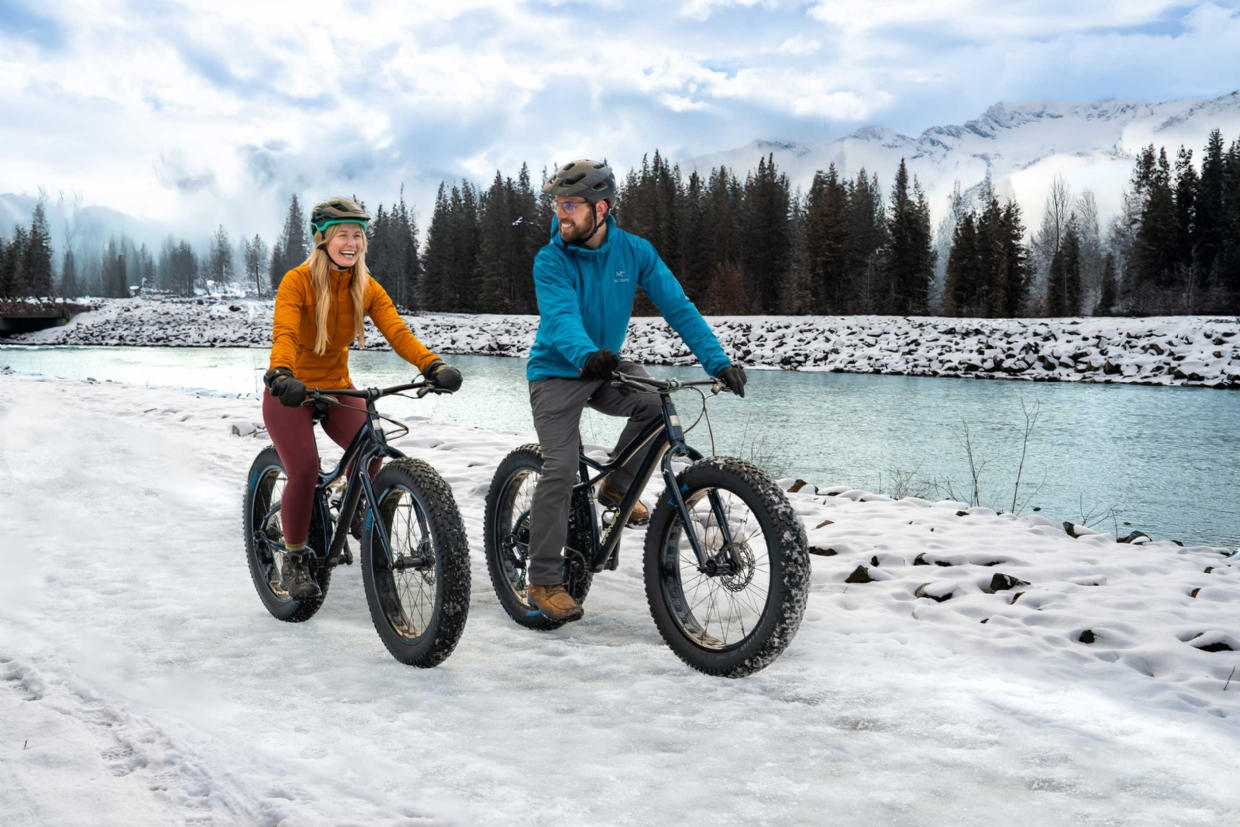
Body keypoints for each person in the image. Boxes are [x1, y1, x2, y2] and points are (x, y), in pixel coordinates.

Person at [524, 160, 747, 623]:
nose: (561, 214)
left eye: (570, 205)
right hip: (556, 371)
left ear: (600, 208)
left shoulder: (635, 252)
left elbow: (678, 306)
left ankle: (617, 487)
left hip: (603, 364)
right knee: (561, 468)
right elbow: (561, 317)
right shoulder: (551, 259)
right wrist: (586, 354)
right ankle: (543, 579)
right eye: (557, 204)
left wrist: (718, 361)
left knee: (656, 403)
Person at [263, 196, 462, 600]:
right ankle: (296, 556)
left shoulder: (364, 286)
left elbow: (397, 332)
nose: (352, 242)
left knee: (371, 455)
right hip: (291, 392)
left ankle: (356, 513)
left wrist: (431, 365)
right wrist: (281, 373)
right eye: (342, 235)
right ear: (322, 240)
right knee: (303, 469)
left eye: (358, 235)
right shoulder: (297, 281)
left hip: (336, 387)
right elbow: (284, 332)